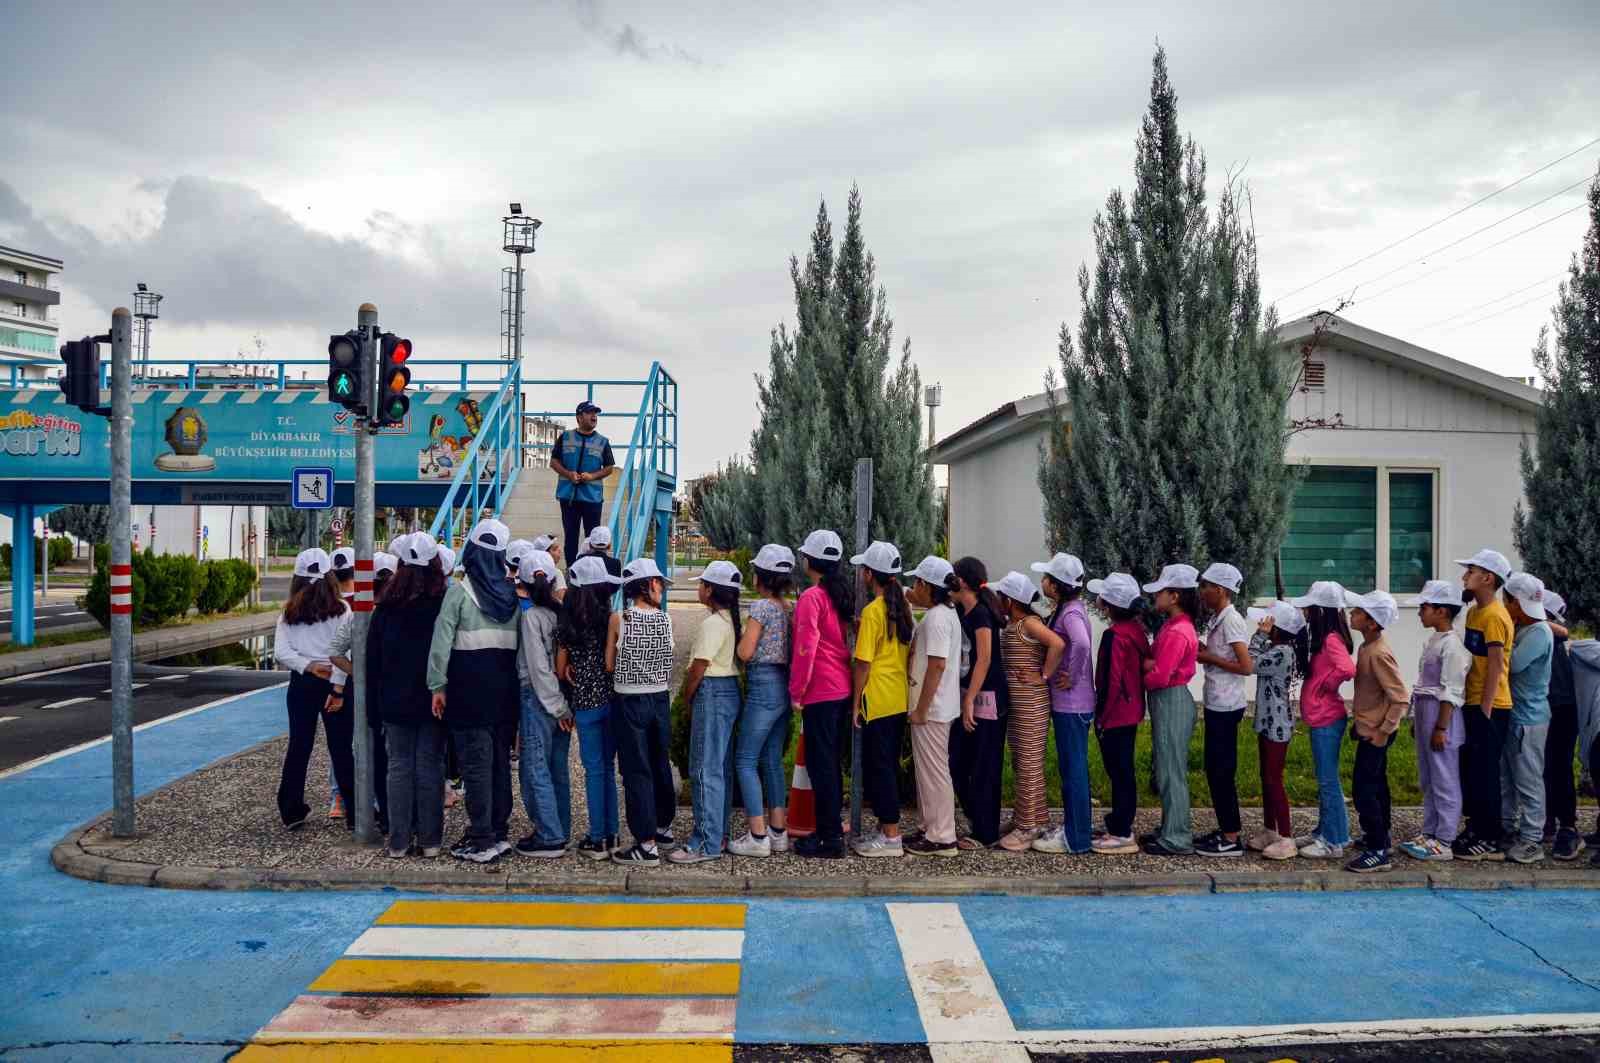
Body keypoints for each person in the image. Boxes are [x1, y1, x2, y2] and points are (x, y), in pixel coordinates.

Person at [426, 518, 521, 864]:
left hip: (468, 695)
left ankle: (481, 839)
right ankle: (498, 831)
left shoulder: (459, 593)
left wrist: (437, 686)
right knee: (498, 764)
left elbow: (441, 645)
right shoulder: (512, 596)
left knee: (475, 766)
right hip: (504, 696)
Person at [361, 534, 447, 857]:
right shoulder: (441, 605)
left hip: (394, 701)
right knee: (430, 766)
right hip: (432, 699)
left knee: (398, 767)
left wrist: (372, 711)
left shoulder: (385, 609)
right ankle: (430, 840)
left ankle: (398, 840)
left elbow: (372, 662)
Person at [273, 549, 356, 832]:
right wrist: (337, 687)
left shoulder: (289, 611)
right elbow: (347, 651)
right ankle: (356, 812)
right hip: (337, 682)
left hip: (303, 684)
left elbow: (281, 652)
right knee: (341, 747)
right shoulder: (343, 609)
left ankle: (291, 809)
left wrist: (307, 666)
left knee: (299, 745)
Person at [673, 559, 744, 864]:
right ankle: (719, 833)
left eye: (702, 585)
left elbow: (698, 668)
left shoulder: (713, 624)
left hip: (712, 692)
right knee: (720, 769)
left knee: (703, 769)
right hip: (728, 691)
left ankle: (704, 841)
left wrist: (688, 698)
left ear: (711, 590)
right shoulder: (730, 620)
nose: (699, 589)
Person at [609, 557, 678, 867]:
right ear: (649, 584)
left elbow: (609, 664)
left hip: (629, 702)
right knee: (659, 762)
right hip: (659, 699)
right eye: (660, 582)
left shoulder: (618, 619)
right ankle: (663, 826)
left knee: (637, 770)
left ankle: (645, 844)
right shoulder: (666, 619)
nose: (662, 588)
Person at [790, 530, 854, 860]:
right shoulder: (841, 595)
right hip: (842, 687)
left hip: (820, 690)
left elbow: (805, 647)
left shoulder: (811, 598)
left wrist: (796, 690)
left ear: (810, 561)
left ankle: (829, 837)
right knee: (830, 763)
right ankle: (829, 827)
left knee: (821, 766)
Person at [730, 544, 797, 859]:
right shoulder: (788, 607)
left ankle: (757, 835)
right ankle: (778, 831)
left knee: (745, 760)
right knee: (771, 760)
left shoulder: (760, 609)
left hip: (762, 684)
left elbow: (745, 652)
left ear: (762, 578)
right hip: (784, 685)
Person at [847, 541, 913, 858]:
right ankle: (887, 829)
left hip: (877, 698)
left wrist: (856, 701)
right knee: (888, 765)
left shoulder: (873, 611)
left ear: (869, 574)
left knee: (881, 768)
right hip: (898, 697)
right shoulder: (901, 607)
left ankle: (890, 836)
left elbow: (864, 662)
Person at [557, 555, 624, 860]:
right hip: (610, 700)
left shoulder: (568, 621)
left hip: (583, 703)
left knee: (593, 770)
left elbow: (561, 669)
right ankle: (612, 834)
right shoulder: (610, 618)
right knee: (608, 769)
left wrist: (571, 669)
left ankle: (596, 839)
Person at [993, 570, 1065, 853]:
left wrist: (1043, 676)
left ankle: (1027, 827)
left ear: (1009, 601)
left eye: (1000, 597)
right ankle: (1033, 816)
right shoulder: (1013, 625)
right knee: (1022, 759)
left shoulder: (1029, 624)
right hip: (1018, 703)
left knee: (1029, 762)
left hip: (1031, 701)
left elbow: (1058, 644)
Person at [1398, 580, 1470, 863]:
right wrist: (1419, 720)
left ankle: (1445, 838)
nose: (1420, 612)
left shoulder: (1452, 646)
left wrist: (1441, 727)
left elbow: (1450, 691)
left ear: (1442, 611)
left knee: (1444, 777)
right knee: (1428, 776)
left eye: (1425, 607)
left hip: (1443, 715)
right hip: (1427, 712)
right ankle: (1429, 830)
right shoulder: (1433, 641)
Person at [1454, 548, 1516, 861]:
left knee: (1486, 771)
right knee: (1472, 769)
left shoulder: (1495, 616)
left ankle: (1490, 837)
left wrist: (1486, 709)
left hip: (1490, 705)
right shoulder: (1475, 612)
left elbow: (1496, 666)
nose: (1465, 576)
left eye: (1471, 571)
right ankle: (1475, 826)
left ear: (1487, 578)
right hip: (1472, 700)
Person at [1031, 552, 1094, 856]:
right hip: (1070, 703)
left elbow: (1081, 643)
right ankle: (1074, 827)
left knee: (1074, 770)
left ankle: (1077, 837)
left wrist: (1075, 674)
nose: (1041, 581)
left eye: (1046, 577)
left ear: (1056, 586)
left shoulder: (1070, 614)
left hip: (1072, 703)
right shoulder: (1069, 608)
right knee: (1072, 767)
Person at [1344, 590, 1410, 873]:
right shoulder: (1366, 647)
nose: (1351, 614)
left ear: (1371, 622)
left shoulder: (1378, 653)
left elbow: (1400, 697)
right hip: (1369, 728)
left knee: (1363, 789)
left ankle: (1378, 850)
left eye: (1358, 612)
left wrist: (1384, 730)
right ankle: (1379, 835)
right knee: (1377, 785)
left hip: (1377, 732)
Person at [514, 549, 574, 860]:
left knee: (535, 767)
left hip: (539, 699)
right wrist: (564, 705)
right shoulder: (562, 614)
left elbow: (538, 668)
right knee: (557, 766)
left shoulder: (530, 617)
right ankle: (560, 827)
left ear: (520, 582)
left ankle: (549, 835)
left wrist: (555, 705)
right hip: (563, 697)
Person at [1289, 581, 1356, 859]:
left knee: (1328, 781)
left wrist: (1325, 686)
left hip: (1326, 718)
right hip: (1321, 718)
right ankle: (1329, 830)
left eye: (1309, 608)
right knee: (1326, 779)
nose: (1304, 612)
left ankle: (1333, 841)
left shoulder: (1330, 640)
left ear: (1321, 610)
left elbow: (1347, 668)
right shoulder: (1324, 638)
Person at [904, 556, 964, 858]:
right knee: (930, 771)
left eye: (917, 582)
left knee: (934, 772)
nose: (914, 587)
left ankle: (942, 836)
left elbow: (937, 666)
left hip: (933, 708)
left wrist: (921, 709)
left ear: (926, 585)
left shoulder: (937, 619)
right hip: (939, 706)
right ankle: (931, 826)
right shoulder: (945, 613)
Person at [1141, 564, 1201, 857]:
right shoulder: (1173, 626)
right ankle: (1170, 827)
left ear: (1175, 596)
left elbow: (1160, 674)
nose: (1156, 597)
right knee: (1166, 767)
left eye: (1161, 592)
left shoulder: (1178, 631)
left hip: (1171, 699)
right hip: (1169, 699)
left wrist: (1143, 672)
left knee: (1171, 770)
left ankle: (1177, 836)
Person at [1086, 572, 1149, 855]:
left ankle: (1122, 831)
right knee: (1124, 770)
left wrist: (1101, 717)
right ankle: (1119, 822)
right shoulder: (1137, 630)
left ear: (1109, 604)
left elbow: (1109, 680)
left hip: (1115, 713)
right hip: (1132, 708)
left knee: (1119, 771)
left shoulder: (1114, 635)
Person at [1194, 562, 1253, 858]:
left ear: (1220, 590)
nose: (1202, 591)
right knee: (1214, 769)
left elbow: (1245, 666)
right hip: (1217, 701)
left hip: (1227, 705)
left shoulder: (1231, 620)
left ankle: (1231, 836)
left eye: (1205, 586)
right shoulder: (1218, 618)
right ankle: (1225, 828)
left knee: (1221, 770)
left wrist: (1210, 658)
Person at [949, 557, 1008, 851]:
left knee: (986, 763)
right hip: (968, 696)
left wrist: (970, 698)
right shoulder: (962, 611)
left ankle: (986, 831)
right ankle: (976, 818)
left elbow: (984, 658)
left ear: (961, 581)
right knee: (958, 761)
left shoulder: (982, 614)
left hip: (987, 698)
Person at [1245, 601, 1307, 861]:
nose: (1263, 626)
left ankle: (1286, 837)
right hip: (1269, 721)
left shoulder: (1281, 652)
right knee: (1266, 778)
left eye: (1268, 623)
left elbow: (1248, 662)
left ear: (1277, 629)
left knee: (1274, 780)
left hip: (1277, 725)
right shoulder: (1279, 649)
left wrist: (1259, 636)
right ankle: (1271, 829)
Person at [1501, 572, 1553, 864]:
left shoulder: (1537, 633)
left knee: (1528, 780)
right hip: (1518, 715)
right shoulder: (1529, 628)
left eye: (1507, 600)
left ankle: (1533, 839)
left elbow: (1514, 665)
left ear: (1516, 603)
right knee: (1508, 777)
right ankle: (1507, 827)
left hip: (1529, 720)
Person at [1541, 591, 1585, 861]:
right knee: (1542, 768)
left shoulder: (1554, 639)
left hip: (1562, 709)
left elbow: (1564, 631)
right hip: (1546, 708)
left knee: (1558, 767)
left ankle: (1567, 827)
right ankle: (1546, 821)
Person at [550, 400, 616, 564]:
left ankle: (591, 571)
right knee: (571, 538)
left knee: (593, 539)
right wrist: (568, 474)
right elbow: (554, 462)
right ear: (579, 417)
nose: (594, 416)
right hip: (569, 497)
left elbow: (609, 468)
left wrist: (592, 476)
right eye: (589, 412)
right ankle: (572, 573)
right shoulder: (565, 437)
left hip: (592, 498)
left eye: (595, 413)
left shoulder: (603, 441)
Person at [531, 534, 569, 601]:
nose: (560, 550)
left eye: (558, 547)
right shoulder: (556, 573)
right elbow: (563, 598)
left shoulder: (529, 569)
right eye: (555, 549)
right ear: (545, 555)